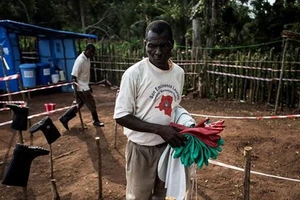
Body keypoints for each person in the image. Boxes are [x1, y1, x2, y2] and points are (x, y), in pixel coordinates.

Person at [113, 20, 187, 200]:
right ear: (145, 44)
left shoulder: (178, 73)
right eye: (152, 46)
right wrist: (160, 130)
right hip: (140, 150)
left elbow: (173, 108)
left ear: (172, 44)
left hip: (168, 148)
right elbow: (121, 116)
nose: (158, 52)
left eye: (164, 45)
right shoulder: (134, 74)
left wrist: (187, 124)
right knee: (138, 197)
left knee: (165, 195)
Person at [59, 44, 104, 130]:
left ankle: (64, 118)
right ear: (86, 50)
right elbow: (73, 76)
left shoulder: (87, 59)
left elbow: (85, 75)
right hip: (81, 87)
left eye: (93, 53)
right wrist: (76, 90)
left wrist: (88, 85)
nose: (92, 55)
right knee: (91, 102)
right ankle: (96, 120)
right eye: (91, 53)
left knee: (78, 104)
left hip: (85, 85)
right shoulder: (80, 60)